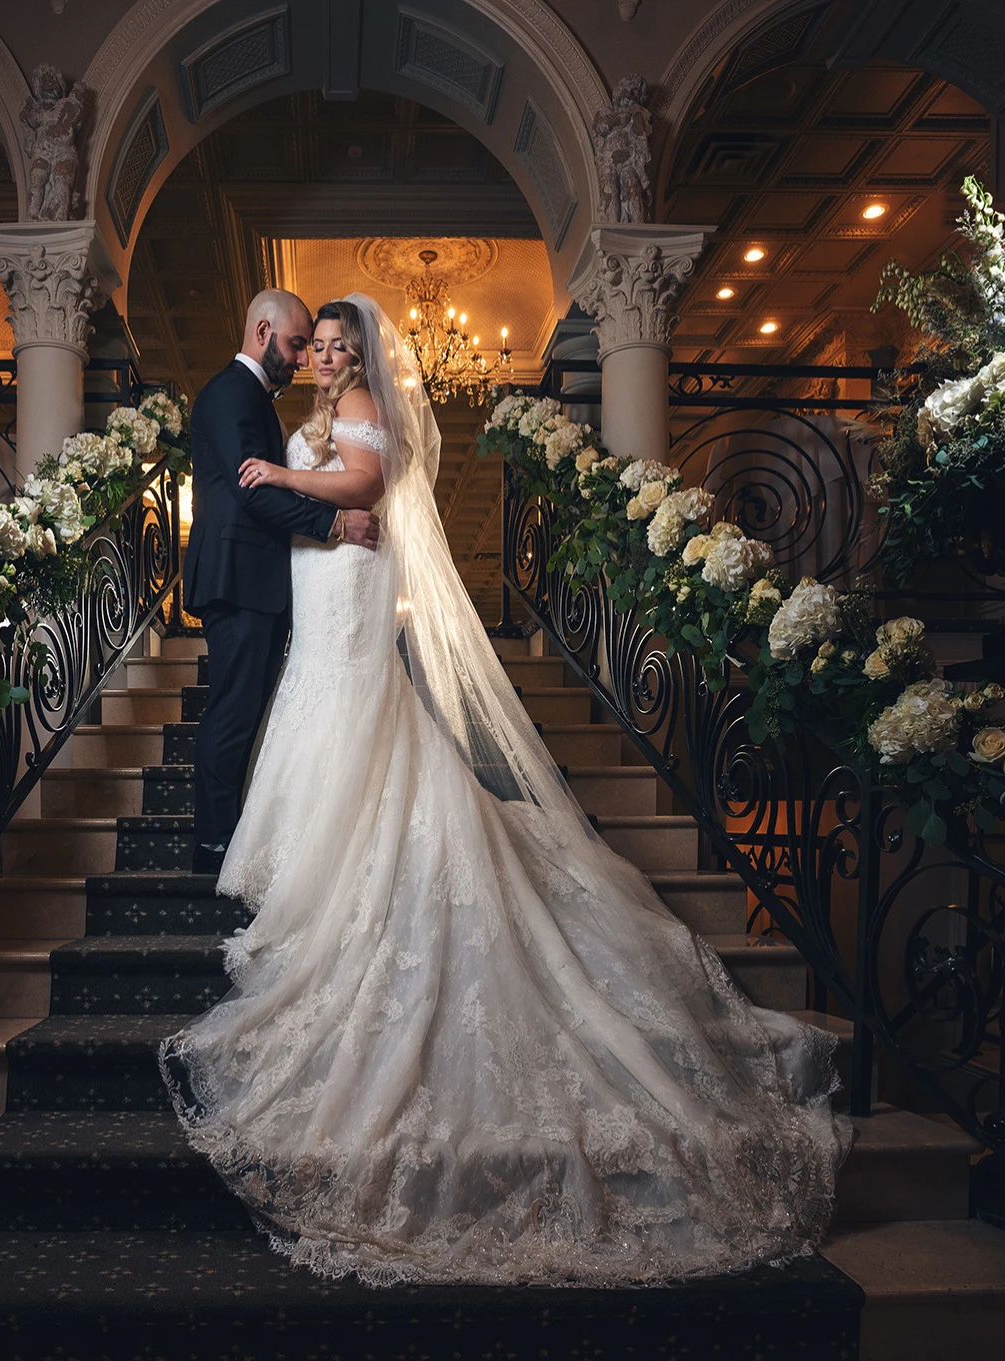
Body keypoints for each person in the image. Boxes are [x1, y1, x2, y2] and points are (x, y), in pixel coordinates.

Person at [162, 294, 851, 1287]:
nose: (320, 357)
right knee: (300, 706)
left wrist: (289, 477)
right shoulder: (288, 410)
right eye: (311, 345)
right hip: (315, 573)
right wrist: (294, 480)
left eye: (333, 345)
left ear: (356, 351)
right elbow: (309, 486)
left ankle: (349, 843)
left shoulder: (351, 409)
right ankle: (306, 843)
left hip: (346, 573)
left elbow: (371, 475)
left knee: (351, 706)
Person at [182, 289, 379, 877]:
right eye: (299, 344)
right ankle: (213, 844)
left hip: (259, 583)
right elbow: (256, 491)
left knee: (245, 714)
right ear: (263, 332)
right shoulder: (232, 394)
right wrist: (335, 523)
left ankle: (228, 835)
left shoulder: (252, 399)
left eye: (318, 348)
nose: (302, 360)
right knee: (232, 714)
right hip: (238, 581)